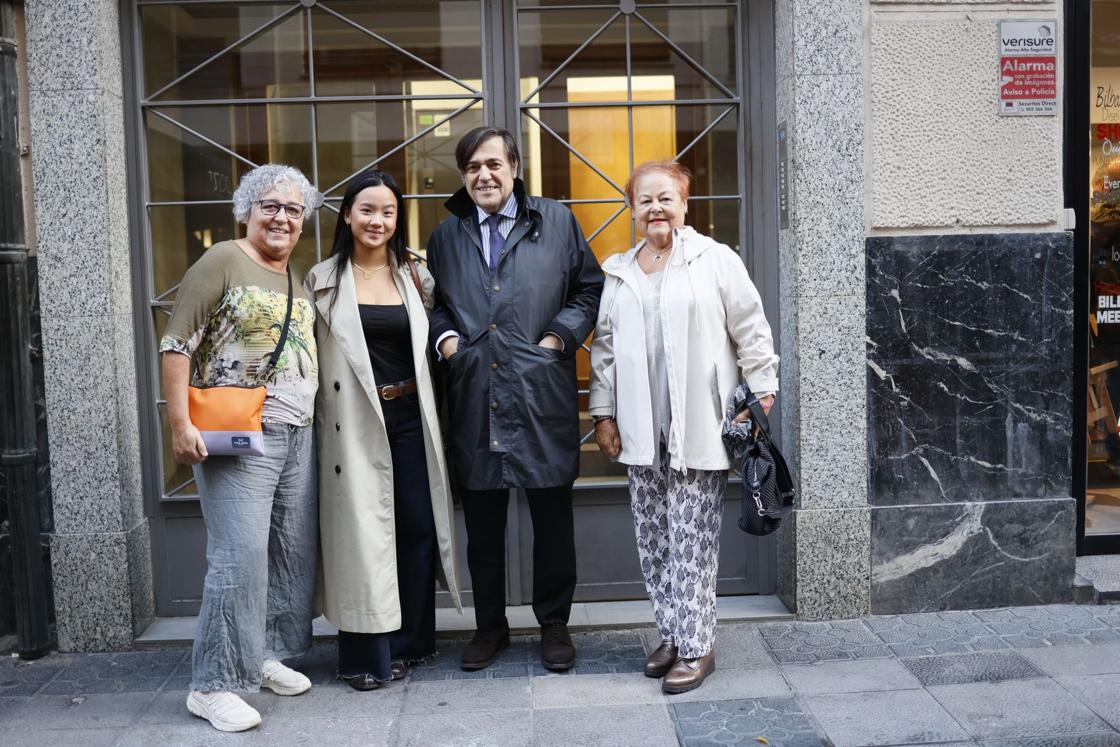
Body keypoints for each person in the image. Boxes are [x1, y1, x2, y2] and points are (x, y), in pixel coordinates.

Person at [588, 160, 779, 694]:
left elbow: (750, 327)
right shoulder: (620, 271)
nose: (656, 208)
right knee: (654, 541)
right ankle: (671, 634)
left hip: (698, 424)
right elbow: (603, 351)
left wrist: (762, 391)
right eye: (645, 200)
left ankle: (698, 648)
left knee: (692, 541)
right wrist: (602, 414)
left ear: (685, 204)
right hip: (641, 431)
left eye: (665, 198)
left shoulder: (713, 259)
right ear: (632, 209)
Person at [426, 127, 604, 671]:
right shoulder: (447, 236)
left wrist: (556, 340)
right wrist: (448, 342)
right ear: (463, 176)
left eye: (494, 164)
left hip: (538, 392)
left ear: (515, 167)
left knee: (552, 520)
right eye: (473, 167)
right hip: (476, 393)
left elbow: (589, 288)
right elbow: (432, 304)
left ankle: (554, 626)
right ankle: (489, 628)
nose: (484, 175)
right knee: (482, 522)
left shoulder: (556, 221)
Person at [160, 164, 323, 731]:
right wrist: (179, 423)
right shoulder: (222, 261)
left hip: (295, 431)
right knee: (239, 556)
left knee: (286, 550)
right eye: (270, 206)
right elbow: (177, 342)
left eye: (294, 209)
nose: (282, 217)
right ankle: (213, 683)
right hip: (237, 437)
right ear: (246, 210)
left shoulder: (291, 277)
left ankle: (263, 654)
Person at [304, 170, 462, 691]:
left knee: (416, 528)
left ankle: (411, 642)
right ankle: (366, 654)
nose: (377, 220)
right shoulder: (322, 280)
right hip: (350, 424)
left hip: (411, 416)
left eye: (388, 212)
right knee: (363, 536)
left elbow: (439, 326)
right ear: (347, 214)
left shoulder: (414, 275)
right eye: (367, 210)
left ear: (398, 219)